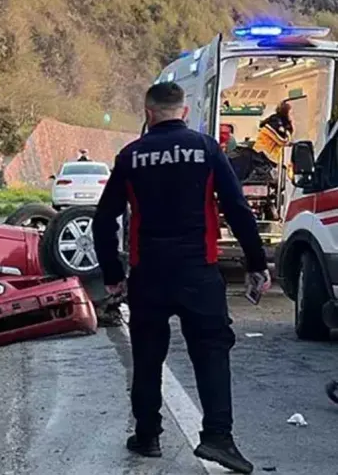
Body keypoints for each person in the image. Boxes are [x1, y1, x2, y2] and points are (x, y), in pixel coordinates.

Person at [91, 82, 269, 474]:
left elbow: (104, 220)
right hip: (198, 271)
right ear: (184, 112)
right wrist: (256, 263)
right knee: (211, 351)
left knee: (147, 355)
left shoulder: (131, 156)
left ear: (148, 113)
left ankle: (148, 435)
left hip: (149, 273)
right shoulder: (207, 149)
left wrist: (114, 275)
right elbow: (237, 208)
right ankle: (218, 437)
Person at [253, 101, 293, 166]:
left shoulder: (277, 122)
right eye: (290, 113)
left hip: (264, 157)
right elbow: (283, 141)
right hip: (262, 157)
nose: (292, 116)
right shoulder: (275, 124)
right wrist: (290, 128)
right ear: (285, 113)